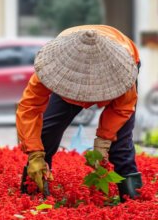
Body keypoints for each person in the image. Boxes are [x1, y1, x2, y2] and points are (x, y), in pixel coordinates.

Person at [16, 25, 142, 200]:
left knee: (120, 144)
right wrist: (34, 154)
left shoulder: (122, 71)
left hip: (115, 61)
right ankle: (34, 191)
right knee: (46, 133)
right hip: (69, 71)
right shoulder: (53, 67)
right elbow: (29, 108)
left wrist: (103, 141)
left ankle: (132, 200)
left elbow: (122, 108)